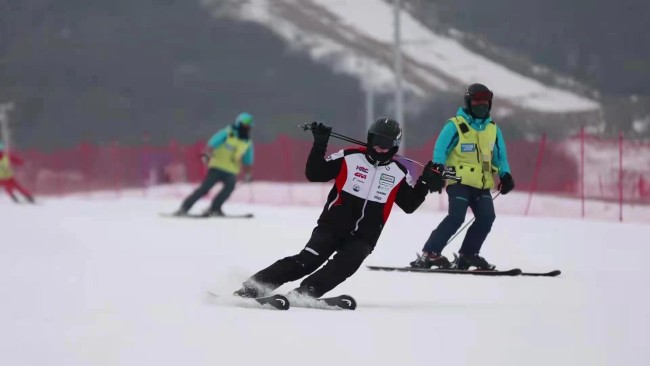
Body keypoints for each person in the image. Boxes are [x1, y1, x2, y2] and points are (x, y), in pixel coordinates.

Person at [233, 118, 441, 300]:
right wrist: (319, 144)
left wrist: (424, 183)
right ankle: (253, 287)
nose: (379, 148)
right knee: (306, 261)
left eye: (386, 145)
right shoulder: (349, 157)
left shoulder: (398, 172)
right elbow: (315, 174)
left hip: (365, 236)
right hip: (332, 226)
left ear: (395, 146)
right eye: (375, 141)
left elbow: (409, 205)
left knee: (345, 266)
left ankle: (307, 292)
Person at [410, 83, 515, 270]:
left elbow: (500, 157)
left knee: (486, 218)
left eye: (485, 103)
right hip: (458, 182)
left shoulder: (493, 129)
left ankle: (468, 255)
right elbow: (440, 150)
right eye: (477, 102)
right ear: (468, 103)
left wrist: (505, 175)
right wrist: (437, 170)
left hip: (482, 184)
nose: (481, 106)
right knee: (456, 217)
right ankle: (430, 253)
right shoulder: (455, 125)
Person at [174, 112, 254, 216]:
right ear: (239, 123)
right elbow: (213, 142)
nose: (247, 127)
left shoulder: (247, 142)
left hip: (231, 170)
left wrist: (248, 173)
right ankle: (184, 208)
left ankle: (215, 208)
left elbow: (248, 160)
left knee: (229, 187)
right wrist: (207, 154)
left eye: (250, 125)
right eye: (245, 124)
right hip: (217, 167)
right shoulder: (227, 133)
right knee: (204, 189)